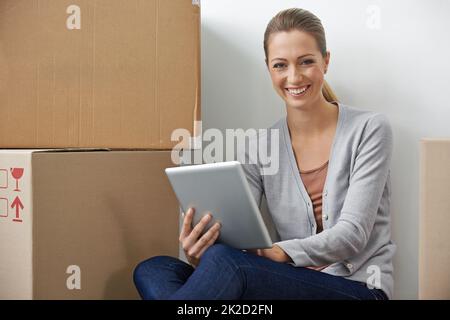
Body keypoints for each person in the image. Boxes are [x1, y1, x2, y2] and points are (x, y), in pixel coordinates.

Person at [133, 8, 394, 300]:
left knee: (227, 264)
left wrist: (279, 252)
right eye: (280, 65)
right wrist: (200, 249)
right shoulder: (259, 146)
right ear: (269, 68)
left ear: (326, 61)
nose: (293, 76)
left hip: (357, 289)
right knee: (154, 269)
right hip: (286, 286)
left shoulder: (369, 129)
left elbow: (352, 234)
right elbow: (235, 231)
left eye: (306, 62)